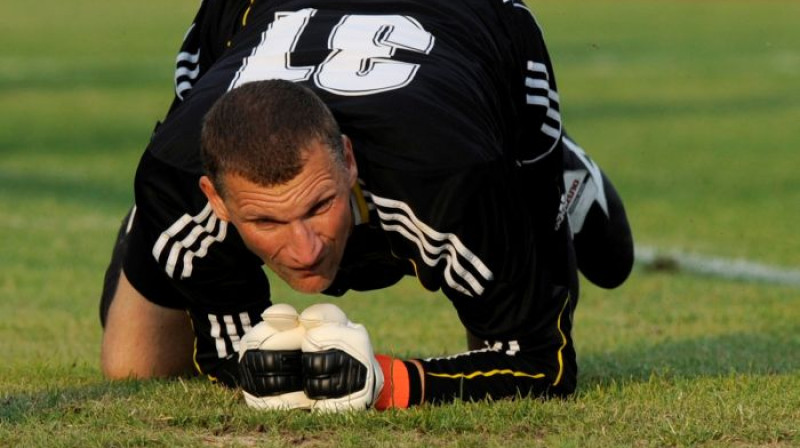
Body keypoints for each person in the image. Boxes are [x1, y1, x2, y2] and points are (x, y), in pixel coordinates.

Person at [100, 0, 633, 409]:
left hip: (472, 24)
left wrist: (387, 382)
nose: (305, 250)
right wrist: (267, 363)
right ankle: (164, 232)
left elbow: (540, 363)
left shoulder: (455, 179)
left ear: (348, 159)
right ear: (214, 196)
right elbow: (229, 354)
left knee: (568, 286)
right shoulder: (175, 176)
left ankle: (554, 164)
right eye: (265, 218)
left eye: (318, 206)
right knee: (134, 365)